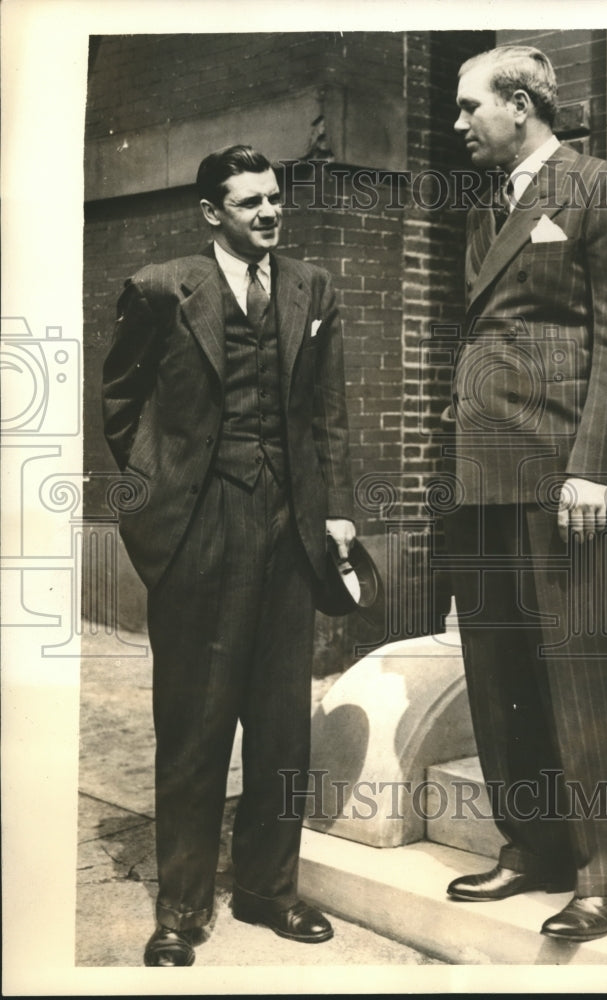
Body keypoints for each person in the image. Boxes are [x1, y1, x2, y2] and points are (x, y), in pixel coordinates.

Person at [102, 145, 356, 966]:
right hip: (198, 527)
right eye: (248, 203)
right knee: (195, 725)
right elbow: (121, 401)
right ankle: (180, 907)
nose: (268, 213)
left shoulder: (312, 288)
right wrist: (157, 496)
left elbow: (328, 414)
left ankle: (267, 892)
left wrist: (338, 514)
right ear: (211, 212)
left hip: (289, 528)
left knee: (282, 725)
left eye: (274, 198)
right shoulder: (161, 287)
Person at [442, 45, 607, 942]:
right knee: (499, 672)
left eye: (469, 108)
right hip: (486, 474)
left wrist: (592, 466)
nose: (458, 126)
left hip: (565, 476)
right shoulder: (487, 209)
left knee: (583, 671)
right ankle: (531, 845)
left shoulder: (600, 188)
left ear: (522, 104)